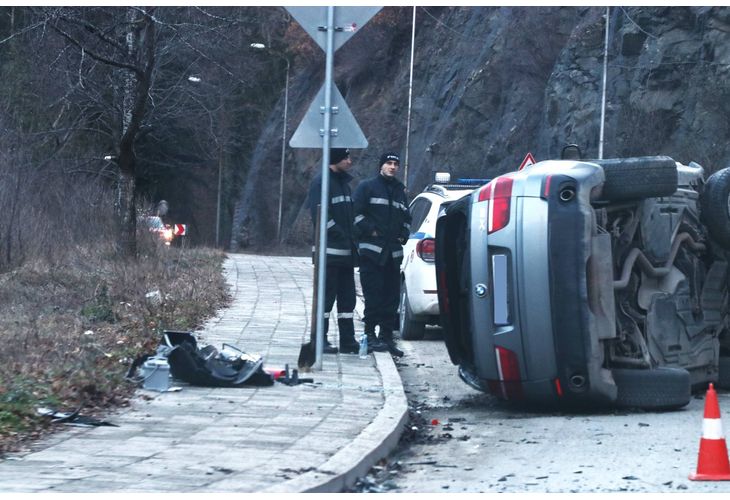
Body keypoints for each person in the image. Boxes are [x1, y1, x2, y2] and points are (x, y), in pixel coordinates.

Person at [353, 152, 411, 357]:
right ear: (381, 166)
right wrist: (371, 231)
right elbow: (355, 214)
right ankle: (369, 335)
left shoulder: (399, 191)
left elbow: (406, 217)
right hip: (372, 253)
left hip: (393, 255)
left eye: (396, 164)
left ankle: (387, 338)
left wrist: (404, 234)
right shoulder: (367, 187)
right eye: (389, 163)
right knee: (373, 296)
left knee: (391, 298)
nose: (393, 167)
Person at [307, 148, 360, 355]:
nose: (349, 161)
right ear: (336, 159)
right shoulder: (322, 183)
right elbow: (320, 217)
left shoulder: (344, 184)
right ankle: (320, 339)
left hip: (346, 254)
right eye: (346, 157)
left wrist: (354, 235)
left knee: (348, 300)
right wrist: (342, 235)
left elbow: (351, 215)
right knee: (326, 298)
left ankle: (348, 340)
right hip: (328, 254)